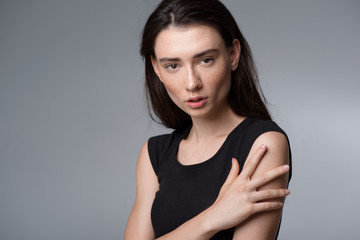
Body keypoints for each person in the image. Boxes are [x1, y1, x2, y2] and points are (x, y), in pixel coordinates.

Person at [124, 0, 292, 239]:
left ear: (233, 54)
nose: (192, 83)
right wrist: (213, 218)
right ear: (156, 69)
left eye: (205, 60)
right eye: (173, 65)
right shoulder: (154, 154)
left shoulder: (262, 144)